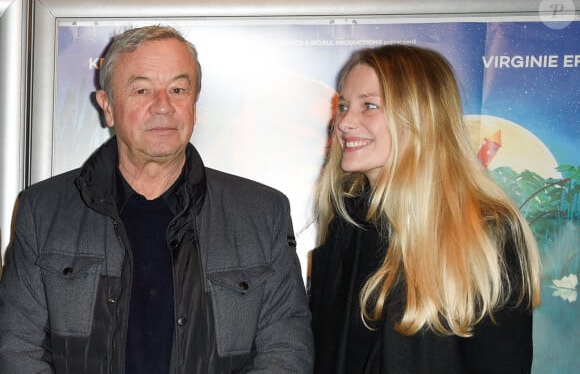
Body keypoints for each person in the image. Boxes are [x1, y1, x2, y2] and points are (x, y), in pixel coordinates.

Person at [0, 25, 313, 373]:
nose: (163, 106)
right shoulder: (43, 211)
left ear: (194, 103)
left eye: (178, 89)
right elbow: (17, 346)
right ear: (108, 106)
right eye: (142, 90)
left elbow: (286, 351)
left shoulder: (262, 214)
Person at [309, 45, 542, 373]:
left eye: (369, 106)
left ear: (420, 117)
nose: (344, 122)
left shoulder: (487, 232)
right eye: (344, 106)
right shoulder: (347, 223)